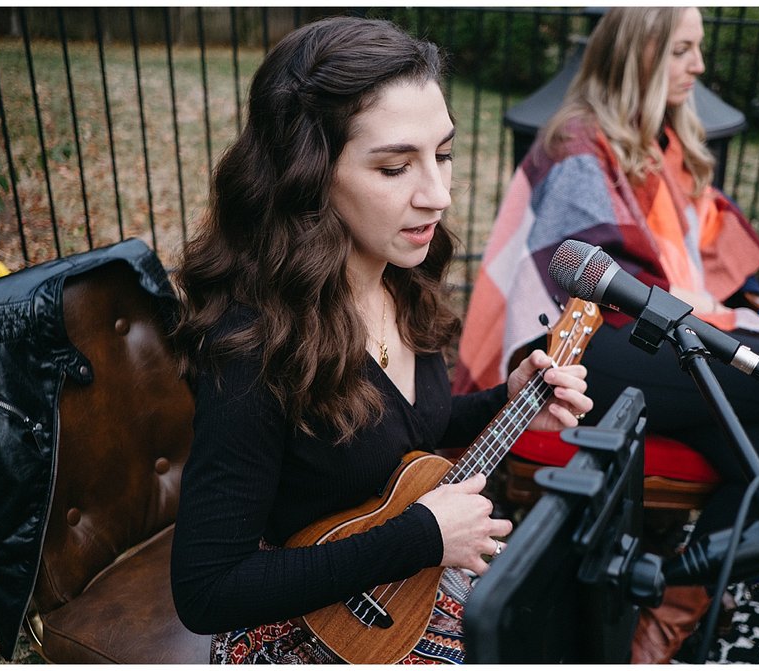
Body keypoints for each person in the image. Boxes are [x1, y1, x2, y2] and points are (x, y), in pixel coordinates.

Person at [455, 6, 759, 662]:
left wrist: (726, 302)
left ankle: (654, 630)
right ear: (642, 54)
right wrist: (701, 305)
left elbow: (705, 242)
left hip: (649, 344)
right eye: (685, 50)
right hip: (587, 348)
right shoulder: (579, 139)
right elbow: (592, 274)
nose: (701, 66)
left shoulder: (662, 139)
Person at [168, 16, 592, 665]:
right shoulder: (253, 345)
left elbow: (392, 432)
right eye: (396, 166)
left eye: (443, 154)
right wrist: (419, 537)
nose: (439, 194)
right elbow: (206, 589)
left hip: (403, 582)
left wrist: (508, 399)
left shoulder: (402, 280)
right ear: (308, 174)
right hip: (302, 627)